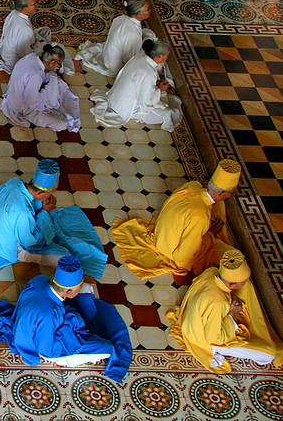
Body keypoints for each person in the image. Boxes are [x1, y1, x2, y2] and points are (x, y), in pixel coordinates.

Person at [0, 159, 107, 278]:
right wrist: (46, 213)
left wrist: (42, 211)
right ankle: (30, 259)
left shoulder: (15, 182)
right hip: (3, 248)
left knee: (43, 216)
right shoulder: (22, 214)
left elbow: (25, 202)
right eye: (49, 194)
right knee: (65, 256)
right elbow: (31, 242)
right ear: (42, 193)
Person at [0, 255, 133, 382]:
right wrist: (69, 330)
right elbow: (47, 349)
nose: (80, 289)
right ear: (69, 291)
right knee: (107, 348)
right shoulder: (48, 316)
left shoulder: (40, 280)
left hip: (41, 317)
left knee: (85, 294)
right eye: (78, 287)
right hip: (47, 346)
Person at [112, 159, 240, 279]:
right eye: (231, 192)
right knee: (222, 250)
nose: (230, 196)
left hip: (160, 233)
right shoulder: (200, 216)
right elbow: (187, 250)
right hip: (169, 251)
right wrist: (211, 233)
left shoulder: (192, 186)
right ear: (222, 193)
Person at [166, 249, 283, 374]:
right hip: (203, 339)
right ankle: (220, 349)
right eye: (241, 282)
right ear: (232, 284)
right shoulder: (218, 303)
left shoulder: (212, 272)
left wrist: (230, 301)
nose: (244, 284)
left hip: (196, 320)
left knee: (247, 290)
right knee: (269, 354)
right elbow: (214, 338)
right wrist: (231, 314)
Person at [89, 39, 182, 132]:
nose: (167, 58)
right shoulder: (149, 72)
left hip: (115, 98)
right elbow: (147, 102)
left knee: (166, 102)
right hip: (126, 108)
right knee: (170, 113)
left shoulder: (139, 57)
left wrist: (156, 85)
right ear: (160, 56)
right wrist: (159, 89)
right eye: (167, 55)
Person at [0, 0, 74, 74]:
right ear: (25, 8)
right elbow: (25, 54)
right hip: (15, 60)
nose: (36, 6)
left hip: (6, 51)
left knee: (45, 30)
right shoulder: (25, 30)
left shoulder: (14, 13)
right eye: (33, 4)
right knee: (54, 53)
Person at [0, 44, 81, 132]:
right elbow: (32, 104)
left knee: (53, 80)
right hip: (21, 109)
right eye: (58, 65)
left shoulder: (32, 56)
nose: (57, 67)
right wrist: (48, 99)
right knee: (62, 123)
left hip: (14, 94)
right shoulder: (36, 75)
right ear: (52, 62)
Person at [75, 0, 156, 76]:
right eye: (147, 10)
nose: (150, 11)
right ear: (138, 14)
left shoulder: (121, 18)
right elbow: (129, 59)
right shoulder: (131, 34)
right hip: (116, 65)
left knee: (147, 35)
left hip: (108, 56)